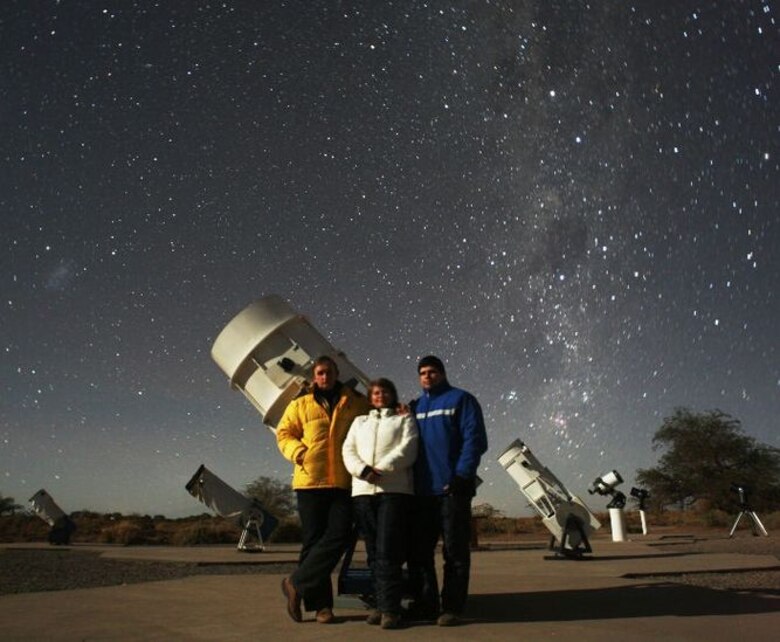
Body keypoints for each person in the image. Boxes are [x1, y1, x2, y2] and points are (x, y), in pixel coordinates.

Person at [276, 355, 371, 624]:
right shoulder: (300, 404)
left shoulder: (354, 402)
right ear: (314, 375)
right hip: (309, 482)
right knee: (313, 542)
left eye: (329, 372)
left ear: (336, 373)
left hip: (342, 482)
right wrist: (299, 452)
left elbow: (375, 417)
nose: (324, 377)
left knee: (339, 536)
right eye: (320, 373)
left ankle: (295, 583)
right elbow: (284, 434)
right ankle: (321, 608)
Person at [407, 355, 488, 627]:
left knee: (454, 552)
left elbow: (474, 439)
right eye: (422, 373)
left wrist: (462, 475)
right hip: (422, 493)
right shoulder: (414, 407)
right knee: (419, 553)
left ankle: (452, 607)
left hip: (452, 489)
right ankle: (427, 604)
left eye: (431, 371)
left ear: (442, 373)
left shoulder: (461, 400)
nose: (427, 376)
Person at [342, 378, 418, 630]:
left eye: (385, 391)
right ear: (369, 397)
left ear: (392, 394)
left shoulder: (404, 419)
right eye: (375, 392)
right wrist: (364, 471)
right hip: (363, 491)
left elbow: (408, 449)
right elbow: (347, 450)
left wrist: (381, 470)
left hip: (393, 491)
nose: (380, 395)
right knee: (373, 553)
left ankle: (391, 609)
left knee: (388, 551)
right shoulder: (359, 422)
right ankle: (379, 603)